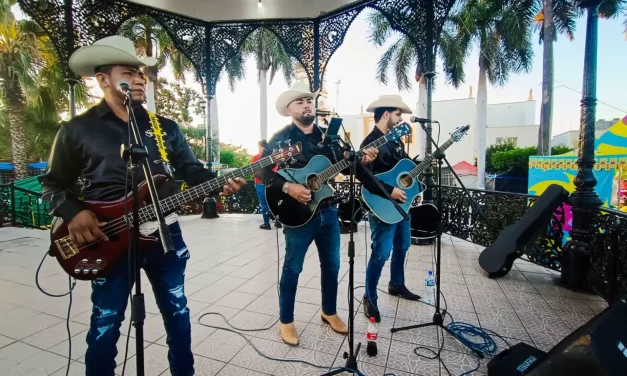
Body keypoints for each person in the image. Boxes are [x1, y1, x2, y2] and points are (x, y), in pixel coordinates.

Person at [39, 36, 245, 376]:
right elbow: (53, 183)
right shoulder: (77, 130)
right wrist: (73, 212)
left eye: (141, 74)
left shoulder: (163, 128)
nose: (139, 79)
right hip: (107, 238)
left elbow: (191, 171)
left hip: (165, 235)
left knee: (177, 314)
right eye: (129, 72)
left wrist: (220, 181)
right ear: (103, 79)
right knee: (106, 322)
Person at [258, 81, 378, 345]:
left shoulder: (331, 137)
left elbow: (349, 168)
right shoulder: (281, 140)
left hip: (328, 210)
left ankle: (329, 311)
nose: (307, 105)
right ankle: (286, 320)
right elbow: (262, 172)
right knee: (293, 267)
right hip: (297, 215)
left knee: (333, 266)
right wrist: (288, 187)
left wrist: (362, 161)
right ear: (290, 109)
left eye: (309, 101)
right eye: (300, 101)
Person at [357, 95, 421, 323]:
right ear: (385, 114)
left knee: (402, 246)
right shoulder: (369, 142)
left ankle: (396, 284)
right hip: (383, 205)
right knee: (381, 252)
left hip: (402, 204)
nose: (400, 118)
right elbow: (364, 176)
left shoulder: (395, 140)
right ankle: (369, 297)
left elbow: (403, 170)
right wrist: (389, 190)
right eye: (397, 114)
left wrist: (422, 164)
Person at [251, 139, 282, 230]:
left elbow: (254, 171)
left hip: (260, 183)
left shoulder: (256, 157)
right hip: (273, 183)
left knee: (264, 204)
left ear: (260, 146)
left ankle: (266, 223)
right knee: (274, 202)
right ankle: (278, 222)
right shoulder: (273, 157)